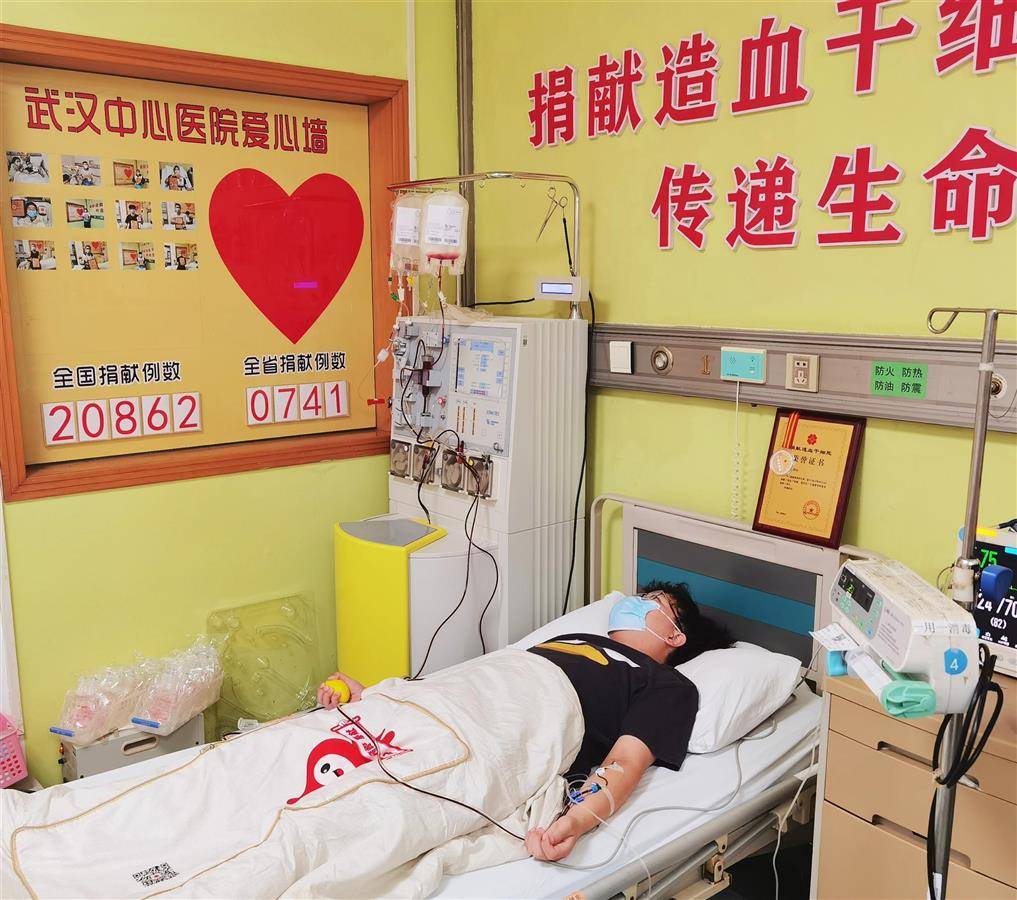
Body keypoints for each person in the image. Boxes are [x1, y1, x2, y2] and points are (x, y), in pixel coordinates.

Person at [317, 581, 732, 863]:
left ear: (675, 636)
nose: (635, 602)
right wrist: (375, 696)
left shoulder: (666, 684)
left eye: (652, 601)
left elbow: (625, 760)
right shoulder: (570, 639)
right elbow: (477, 679)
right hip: (471, 693)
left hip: (528, 717)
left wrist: (576, 820)